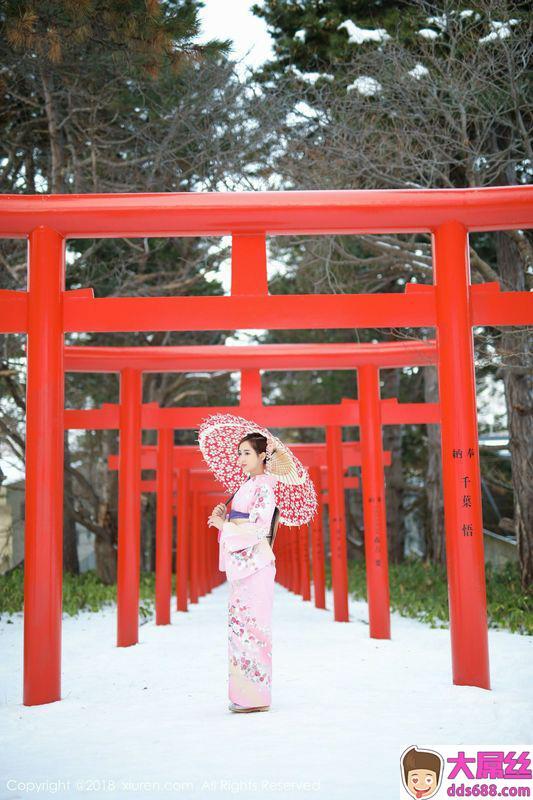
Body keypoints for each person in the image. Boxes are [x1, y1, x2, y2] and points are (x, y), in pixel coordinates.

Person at [207, 432, 277, 714]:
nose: (241, 458)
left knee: (254, 630)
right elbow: (242, 523)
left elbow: (260, 528)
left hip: (256, 566)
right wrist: (224, 517)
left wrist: (225, 525)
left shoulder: (264, 488)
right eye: (240, 453)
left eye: (247, 452)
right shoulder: (247, 486)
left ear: (262, 456)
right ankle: (244, 695)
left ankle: (256, 697)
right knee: (240, 629)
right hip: (243, 566)